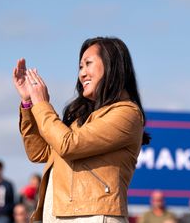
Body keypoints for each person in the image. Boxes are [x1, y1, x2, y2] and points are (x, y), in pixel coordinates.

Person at [13, 37, 150, 222]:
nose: (82, 73)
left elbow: (67, 145)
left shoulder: (127, 113)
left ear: (111, 65)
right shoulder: (79, 119)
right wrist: (28, 103)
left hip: (93, 215)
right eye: (80, 67)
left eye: (88, 64)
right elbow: (39, 152)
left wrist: (42, 104)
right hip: (58, 214)